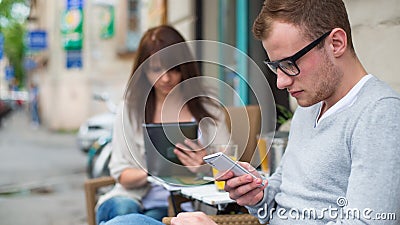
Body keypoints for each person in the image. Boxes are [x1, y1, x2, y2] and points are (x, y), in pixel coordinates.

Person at [104, 0, 400, 225]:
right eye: (275, 67)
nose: (281, 82)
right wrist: (258, 194)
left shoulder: (379, 115)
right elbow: (277, 205)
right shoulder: (309, 108)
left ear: (336, 43)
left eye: (290, 63)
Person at [95, 25, 231, 224]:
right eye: (156, 69)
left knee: (142, 220)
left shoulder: (208, 107)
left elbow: (230, 164)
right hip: (131, 198)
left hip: (181, 207)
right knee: (125, 210)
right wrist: (156, 170)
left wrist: (204, 165)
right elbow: (122, 174)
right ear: (143, 70)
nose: (166, 78)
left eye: (174, 69)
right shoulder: (130, 110)